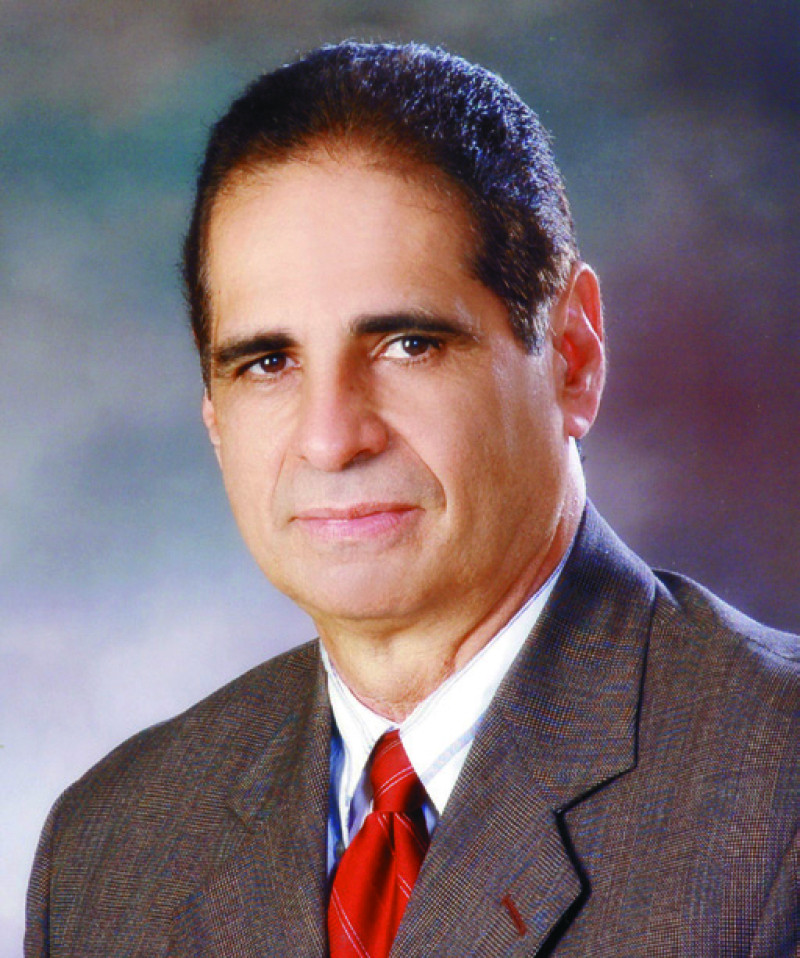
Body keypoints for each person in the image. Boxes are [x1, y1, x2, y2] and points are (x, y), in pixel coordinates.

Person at [26, 41, 799, 957]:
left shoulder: (776, 793)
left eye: (409, 345)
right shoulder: (109, 850)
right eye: (267, 362)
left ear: (573, 357)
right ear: (212, 413)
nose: (331, 438)